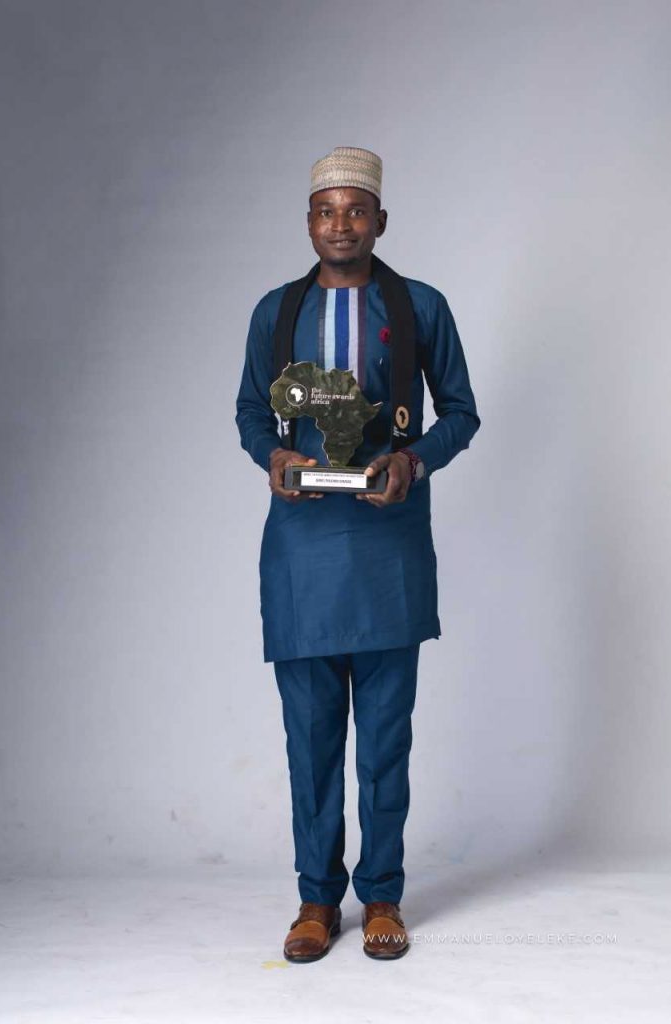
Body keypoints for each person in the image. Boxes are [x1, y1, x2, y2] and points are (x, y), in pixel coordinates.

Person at [235, 146, 480, 962]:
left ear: (381, 221)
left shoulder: (421, 307)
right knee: (309, 741)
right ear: (308, 222)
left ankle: (382, 895)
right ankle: (315, 899)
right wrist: (273, 455)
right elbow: (250, 411)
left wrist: (413, 462)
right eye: (326, 211)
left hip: (388, 548)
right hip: (301, 552)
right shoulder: (277, 313)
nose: (340, 225)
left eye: (356, 211)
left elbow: (460, 412)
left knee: (383, 741)